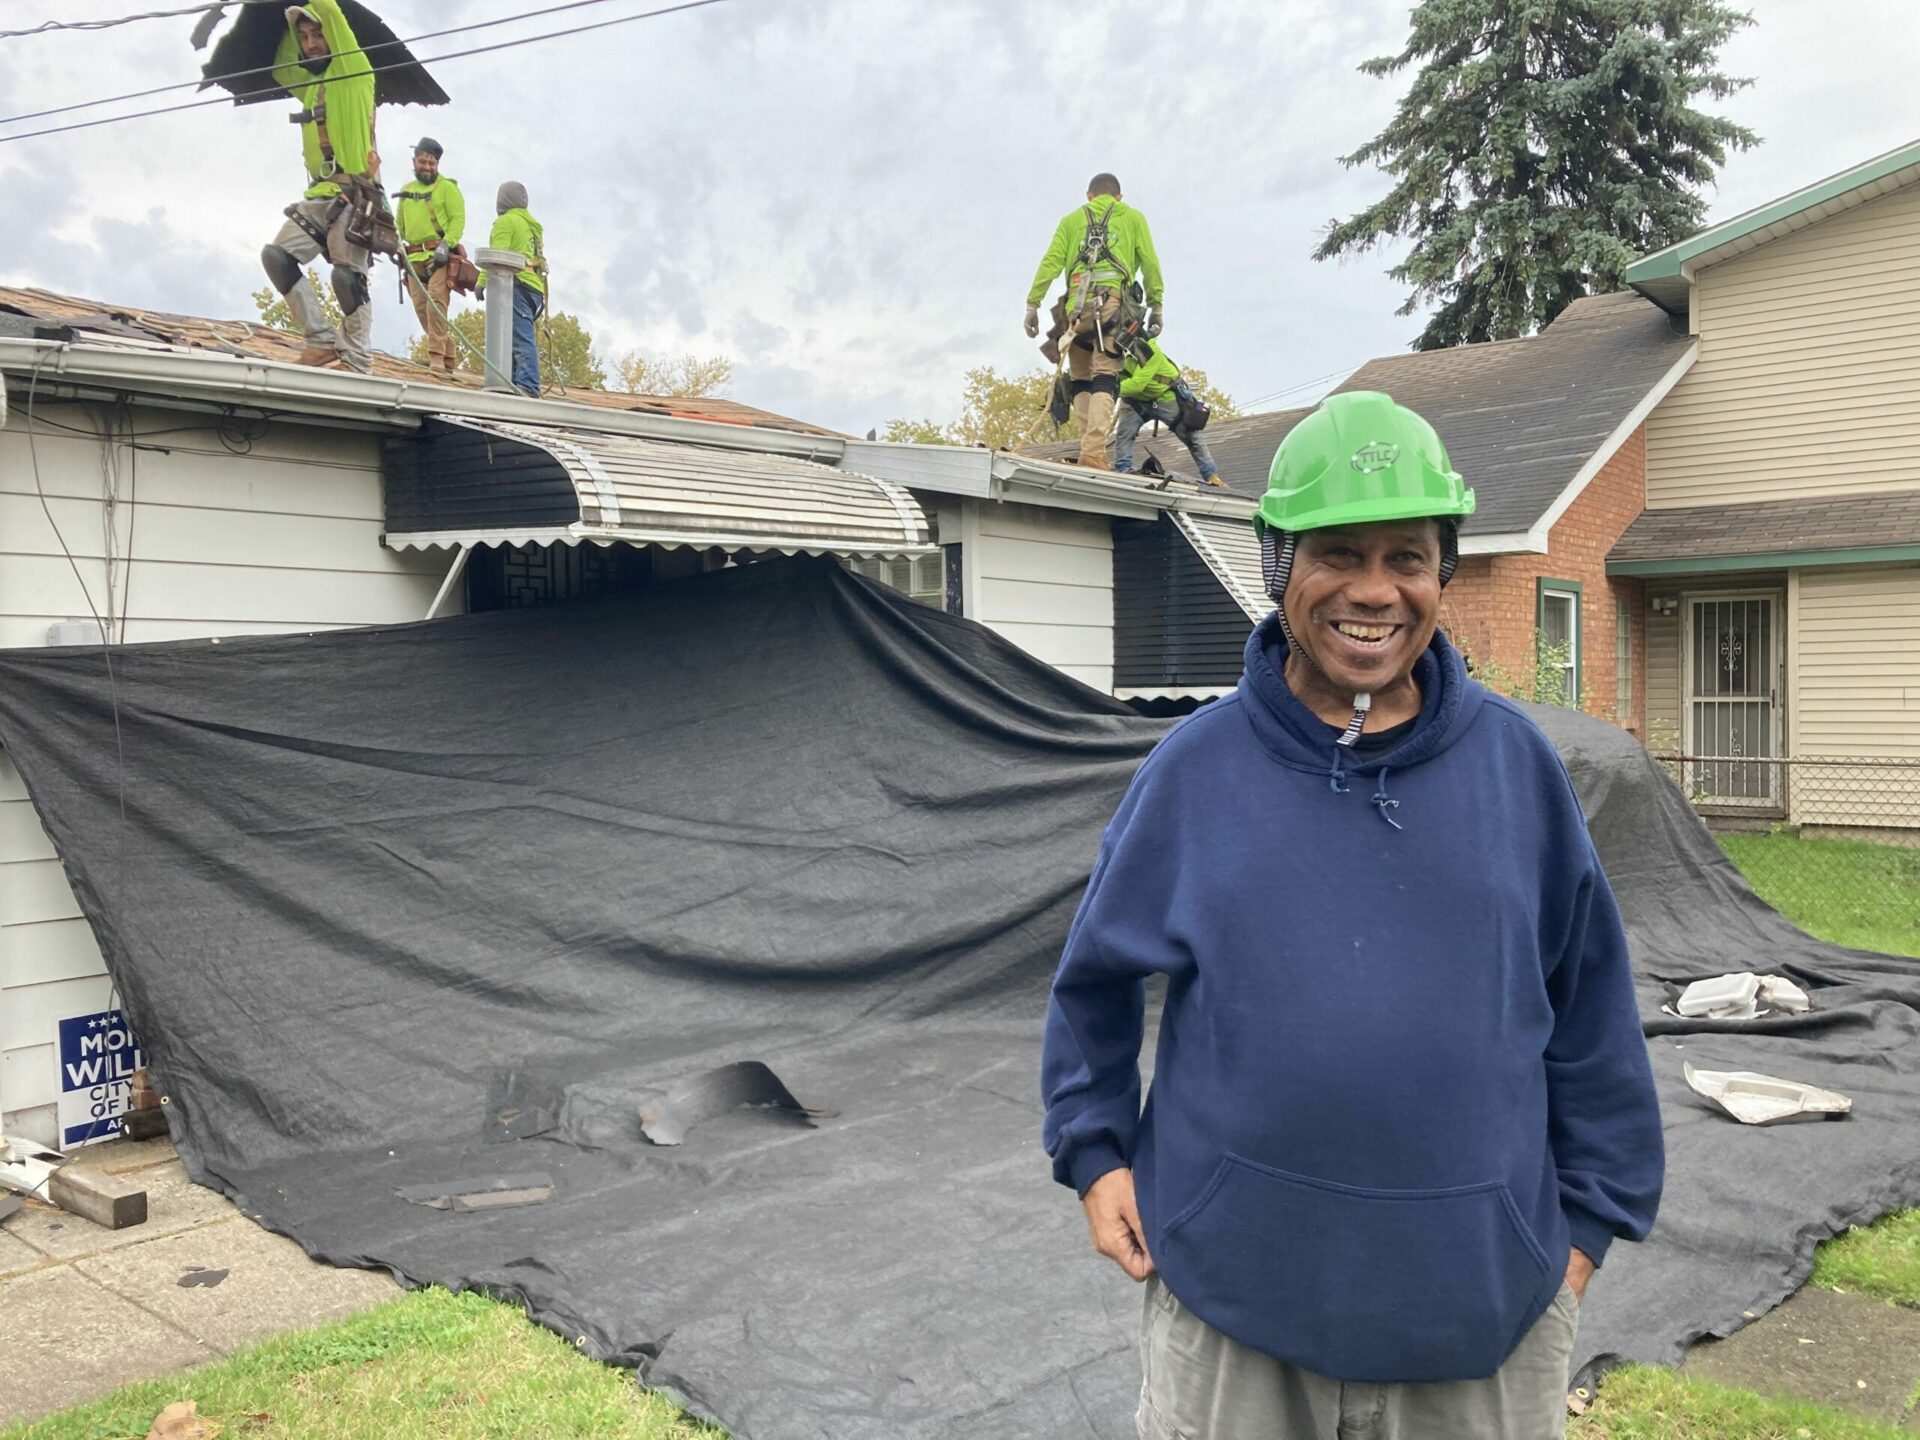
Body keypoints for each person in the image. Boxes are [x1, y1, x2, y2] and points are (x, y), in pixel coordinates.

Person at [1040, 391, 1664, 1440]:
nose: (1375, 592)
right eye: (1340, 555)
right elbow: (1094, 983)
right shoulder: (1194, 774)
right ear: (1282, 565)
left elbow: (1590, 1006)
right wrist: (1096, 1153)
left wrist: (1586, 1228)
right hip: (1231, 1312)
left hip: (1481, 1318)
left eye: (1407, 558)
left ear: (1442, 573)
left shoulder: (1519, 772)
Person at [258, 2, 381, 372]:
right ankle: (321, 339)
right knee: (277, 256)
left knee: (347, 276)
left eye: (318, 34)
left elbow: (331, 10)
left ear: (333, 34)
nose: (311, 44)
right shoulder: (311, 85)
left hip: (355, 194)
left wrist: (322, 14)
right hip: (319, 196)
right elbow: (281, 64)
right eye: (305, 37)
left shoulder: (354, 70)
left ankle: (357, 355)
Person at [1024, 174, 1164, 469]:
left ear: (1089, 196)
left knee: (1081, 381)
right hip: (1110, 307)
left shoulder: (1071, 221)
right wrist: (1156, 305)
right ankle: (1093, 454)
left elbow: (1051, 262)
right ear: (1119, 197)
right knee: (1104, 376)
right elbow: (1150, 263)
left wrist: (1032, 304)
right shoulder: (1133, 218)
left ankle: (1088, 447)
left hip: (1075, 311)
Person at [395, 137, 466, 376]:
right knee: (421, 306)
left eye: (431, 163)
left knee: (437, 302)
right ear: (414, 161)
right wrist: (398, 246)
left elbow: (457, 220)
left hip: (438, 255)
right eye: (422, 162)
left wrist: (447, 245)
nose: (427, 167)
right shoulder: (406, 191)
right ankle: (448, 352)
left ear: (437, 164)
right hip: (414, 256)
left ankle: (435, 355)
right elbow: (399, 226)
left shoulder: (447, 188)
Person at [1114, 331, 1222, 486]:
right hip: (1136, 402)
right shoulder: (1118, 355)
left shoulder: (1151, 352)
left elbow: (1137, 384)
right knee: (1124, 434)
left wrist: (1112, 389)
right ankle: (1122, 468)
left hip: (1165, 398)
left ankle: (1211, 475)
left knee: (1191, 435)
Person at [476, 181, 546, 397]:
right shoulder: (530, 226)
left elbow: (497, 255)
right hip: (534, 288)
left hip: (515, 284)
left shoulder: (506, 222)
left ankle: (527, 385)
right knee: (515, 336)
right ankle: (516, 382)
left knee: (517, 337)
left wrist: (481, 281)